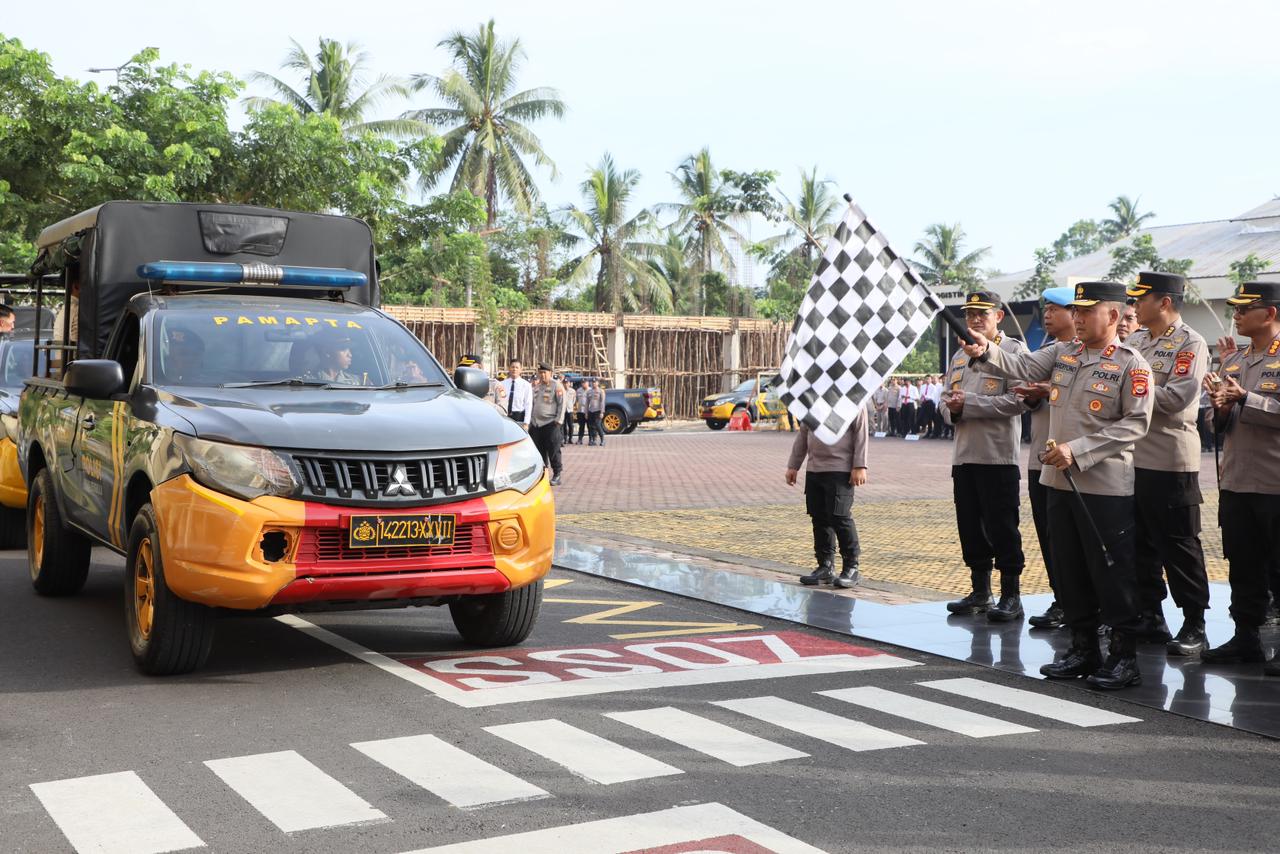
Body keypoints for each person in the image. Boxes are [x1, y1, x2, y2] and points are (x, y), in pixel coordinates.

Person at [963, 280, 1153, 690]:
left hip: (1103, 486)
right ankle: (1083, 649)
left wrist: (1079, 449)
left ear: (1114, 316)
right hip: (1058, 481)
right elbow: (1021, 367)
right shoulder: (1065, 353)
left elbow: (1136, 423)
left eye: (1087, 311)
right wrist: (986, 349)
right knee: (1069, 569)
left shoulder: (1131, 363)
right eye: (1077, 311)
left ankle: (1124, 657)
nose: (1079, 318)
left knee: (1111, 572)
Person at [1124, 271, 1211, 655]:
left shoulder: (1190, 343)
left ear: (1164, 302)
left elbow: (1176, 398)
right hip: (1132, 457)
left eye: (1141, 299)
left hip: (1170, 459)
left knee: (1178, 544)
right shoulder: (1136, 340)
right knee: (1139, 543)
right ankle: (1151, 614)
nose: (1135, 306)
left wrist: (1129, 391)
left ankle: (1195, 623)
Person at [1200, 280, 1280, 673]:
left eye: (1244, 308)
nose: (1236, 314)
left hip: (1274, 483)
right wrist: (1219, 406)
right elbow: (1216, 423)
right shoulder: (1233, 361)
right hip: (1236, 480)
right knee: (1242, 563)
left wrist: (1245, 398)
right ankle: (1245, 637)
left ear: (1270, 313)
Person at [939, 291, 1029, 621]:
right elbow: (944, 400)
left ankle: (1011, 595)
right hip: (964, 456)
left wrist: (971, 406)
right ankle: (980, 591)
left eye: (982, 313)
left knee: (1003, 527)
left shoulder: (1013, 351)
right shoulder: (959, 356)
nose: (975, 319)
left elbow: (1020, 401)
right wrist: (952, 410)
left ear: (999, 317)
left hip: (998, 457)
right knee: (970, 528)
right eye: (970, 314)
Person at [1014, 286, 1077, 630]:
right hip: (1041, 455)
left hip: (1070, 458)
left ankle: (1079, 603)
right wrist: (1032, 395)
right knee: (1049, 534)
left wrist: (1047, 389)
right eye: (1046, 310)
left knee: (1070, 539)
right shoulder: (1045, 351)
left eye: (1056, 309)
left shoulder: (1079, 354)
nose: (1048, 315)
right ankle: (1061, 598)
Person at [786, 402, 869, 589]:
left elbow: (861, 433)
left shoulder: (853, 398)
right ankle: (825, 566)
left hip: (841, 468)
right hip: (815, 468)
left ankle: (851, 567)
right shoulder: (814, 399)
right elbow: (803, 433)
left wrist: (860, 465)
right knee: (819, 517)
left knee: (840, 517)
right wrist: (794, 465)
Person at [528, 363, 565, 486]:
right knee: (539, 451)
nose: (542, 375)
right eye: (541, 372)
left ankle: (557, 474)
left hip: (551, 423)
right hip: (537, 425)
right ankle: (543, 475)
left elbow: (561, 404)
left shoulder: (556, 385)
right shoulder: (537, 387)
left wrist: (558, 421)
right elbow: (533, 404)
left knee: (553, 450)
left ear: (550, 373)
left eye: (545, 372)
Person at [503, 358, 533, 427]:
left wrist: (526, 422)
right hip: (504, 416)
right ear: (509, 368)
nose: (514, 369)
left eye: (517, 367)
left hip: (519, 417)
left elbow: (528, 404)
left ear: (520, 370)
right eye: (512, 367)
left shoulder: (526, 385)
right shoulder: (502, 384)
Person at [584, 378, 606, 446]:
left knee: (598, 425)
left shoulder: (601, 391)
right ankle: (592, 440)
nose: (593, 383)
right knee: (590, 426)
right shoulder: (589, 391)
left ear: (598, 383)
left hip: (598, 410)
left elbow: (602, 402)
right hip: (591, 411)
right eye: (592, 382)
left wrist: (602, 412)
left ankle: (602, 439)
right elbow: (587, 402)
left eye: (595, 382)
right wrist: (586, 412)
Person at [917, 375, 938, 439]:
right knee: (923, 417)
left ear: (931, 380)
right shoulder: (923, 386)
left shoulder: (933, 387)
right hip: (924, 403)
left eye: (929, 379)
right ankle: (928, 431)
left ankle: (934, 432)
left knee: (932, 418)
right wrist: (921, 399)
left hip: (930, 403)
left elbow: (933, 396)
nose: (927, 380)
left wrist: (925, 396)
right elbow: (921, 395)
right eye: (926, 379)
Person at [561, 376, 577, 444]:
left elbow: (574, 400)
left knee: (570, 425)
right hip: (563, 410)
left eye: (567, 383)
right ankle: (565, 438)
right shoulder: (561, 390)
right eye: (564, 383)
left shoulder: (572, 391)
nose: (566, 384)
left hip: (569, 410)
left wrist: (571, 406)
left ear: (569, 383)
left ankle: (570, 438)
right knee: (563, 425)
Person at [575, 379, 592, 444]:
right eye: (582, 383)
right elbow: (576, 400)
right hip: (580, 411)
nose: (583, 384)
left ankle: (591, 439)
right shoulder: (578, 390)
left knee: (589, 426)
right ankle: (580, 439)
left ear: (588, 383)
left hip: (588, 411)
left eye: (585, 383)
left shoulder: (591, 390)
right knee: (581, 426)